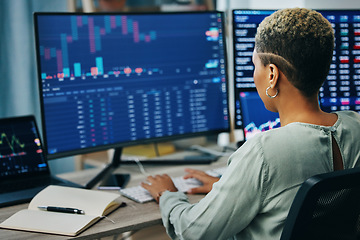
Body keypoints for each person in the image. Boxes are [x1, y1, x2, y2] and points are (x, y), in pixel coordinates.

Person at [141, 8, 360, 239]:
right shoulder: (356, 126)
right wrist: (230, 185)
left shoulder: (263, 152)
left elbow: (194, 232)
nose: (254, 74)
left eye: (255, 65)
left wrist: (168, 194)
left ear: (272, 74)